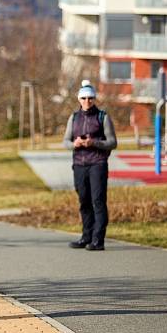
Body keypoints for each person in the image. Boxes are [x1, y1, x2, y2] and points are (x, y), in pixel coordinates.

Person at [63, 80, 117, 251]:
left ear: (94, 99)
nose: (87, 101)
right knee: (84, 201)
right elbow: (65, 141)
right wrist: (75, 144)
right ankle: (86, 237)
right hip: (79, 164)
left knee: (98, 201)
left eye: (91, 98)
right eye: (84, 98)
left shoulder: (103, 117)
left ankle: (98, 240)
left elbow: (113, 142)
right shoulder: (74, 117)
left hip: (97, 164)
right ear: (79, 99)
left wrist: (93, 142)